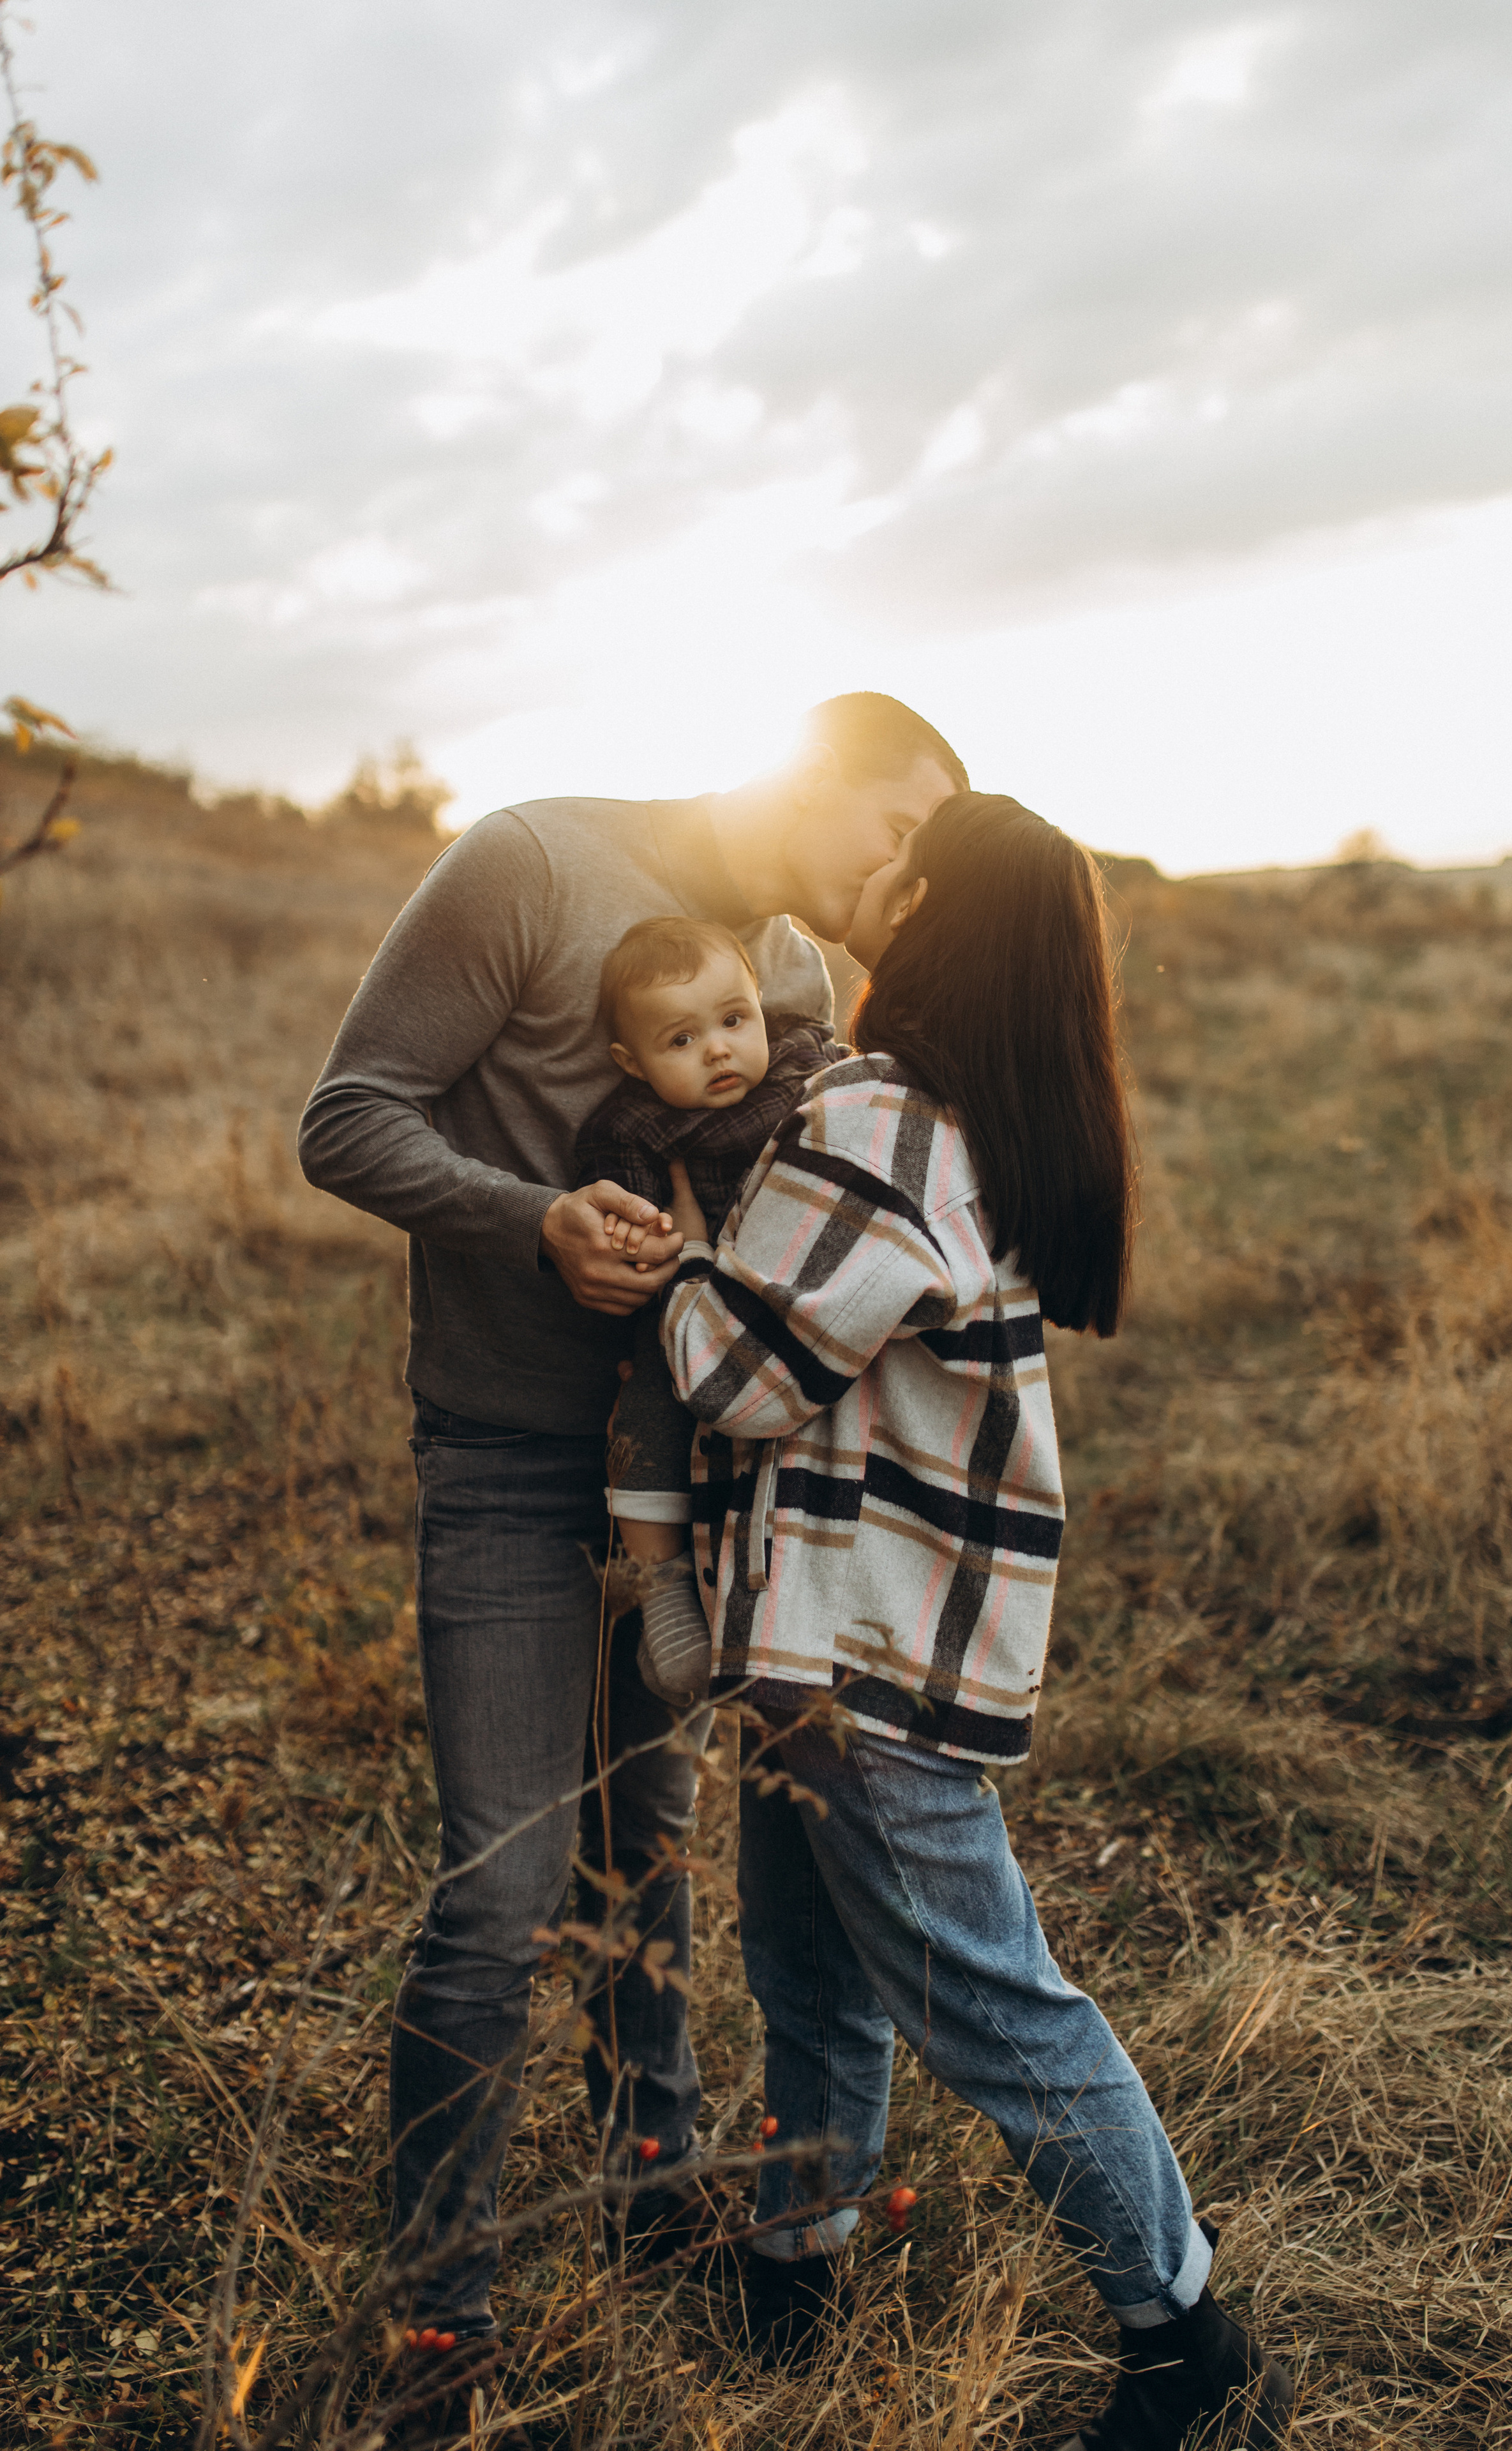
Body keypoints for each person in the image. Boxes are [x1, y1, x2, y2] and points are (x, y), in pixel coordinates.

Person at [295, 696, 966, 2399]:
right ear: (810, 777)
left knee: (646, 1844)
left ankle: (648, 2177)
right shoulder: (526, 863)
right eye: (890, 827)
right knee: (500, 1888)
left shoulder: (793, 981)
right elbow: (349, 1115)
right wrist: (533, 1224)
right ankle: (442, 2306)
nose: (900, 869)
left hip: (692, 1495)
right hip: (512, 1465)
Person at [658, 795, 1296, 2450]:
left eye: (889, 851)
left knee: (995, 2004)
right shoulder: (972, 1116)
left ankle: (1189, 2343)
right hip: (847, 1639)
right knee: (809, 1974)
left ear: (919, 897)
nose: (858, 859)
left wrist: (663, 1264)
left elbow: (738, 1378)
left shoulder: (880, 1115)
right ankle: (796, 2267)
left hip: (866, 1652)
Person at [573, 915, 842, 1708]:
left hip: (797, 1298)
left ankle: (795, 1595)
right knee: (650, 1406)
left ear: (762, 1005)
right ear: (632, 1062)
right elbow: (631, 1226)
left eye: (732, 1021)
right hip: (690, 1310)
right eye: (681, 1041)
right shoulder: (631, 1128)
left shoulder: (809, 1067)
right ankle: (663, 1589)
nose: (719, 1049)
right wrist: (644, 1239)